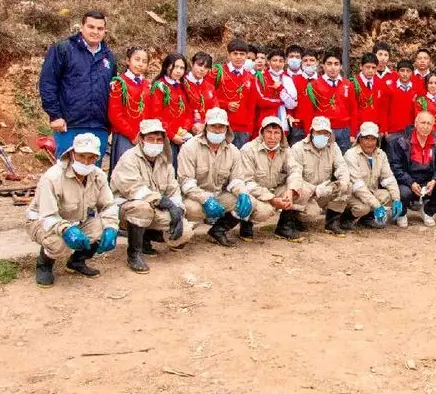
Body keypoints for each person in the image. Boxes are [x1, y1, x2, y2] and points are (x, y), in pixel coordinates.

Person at [26, 133, 119, 287]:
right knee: (58, 243)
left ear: (96, 158)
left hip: (77, 220)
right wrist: (66, 230)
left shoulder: (98, 176)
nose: (86, 162)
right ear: (71, 153)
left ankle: (77, 262)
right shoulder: (53, 177)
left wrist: (111, 228)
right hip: (42, 221)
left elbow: (108, 205)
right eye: (81, 156)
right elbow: (47, 215)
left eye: (91, 158)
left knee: (102, 230)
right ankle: (44, 265)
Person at [110, 119, 191, 273]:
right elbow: (134, 190)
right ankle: (134, 253)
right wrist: (165, 202)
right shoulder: (129, 158)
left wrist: (178, 210)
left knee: (184, 231)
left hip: (155, 208)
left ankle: (146, 237)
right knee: (142, 208)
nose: (155, 143)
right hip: (126, 209)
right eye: (150, 139)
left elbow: (173, 189)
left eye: (159, 139)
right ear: (141, 139)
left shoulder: (164, 160)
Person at [38, 11, 118, 161]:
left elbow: (113, 92)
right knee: (67, 172)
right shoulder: (63, 50)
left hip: (99, 127)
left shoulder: (109, 57)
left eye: (100, 28)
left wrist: (109, 124)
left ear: (105, 31)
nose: (95, 32)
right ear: (82, 27)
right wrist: (55, 115)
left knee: (93, 177)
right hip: (69, 125)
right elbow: (48, 83)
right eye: (91, 27)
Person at [177, 107, 257, 247]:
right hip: (194, 197)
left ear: (227, 128)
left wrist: (243, 193)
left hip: (219, 195)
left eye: (221, 127)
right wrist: (205, 199)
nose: (218, 130)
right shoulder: (189, 147)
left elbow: (236, 180)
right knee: (192, 211)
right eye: (214, 126)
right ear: (206, 126)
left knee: (249, 202)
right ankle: (184, 231)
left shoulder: (233, 151)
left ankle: (218, 231)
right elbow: (186, 182)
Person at [284, 116, 353, 237]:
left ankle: (332, 222)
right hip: (304, 194)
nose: (322, 136)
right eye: (319, 132)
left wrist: (343, 181)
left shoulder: (333, 147)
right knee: (312, 213)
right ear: (311, 132)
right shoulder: (298, 149)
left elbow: (341, 166)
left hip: (324, 191)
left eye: (325, 133)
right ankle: (294, 220)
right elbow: (295, 177)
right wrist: (315, 189)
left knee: (346, 187)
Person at [387, 111, 436, 227]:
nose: (425, 126)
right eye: (423, 123)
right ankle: (402, 213)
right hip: (408, 182)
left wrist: (434, 181)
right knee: (403, 192)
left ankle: (428, 211)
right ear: (416, 123)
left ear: (433, 126)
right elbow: (395, 167)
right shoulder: (401, 141)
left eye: (429, 124)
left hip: (428, 183)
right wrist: (410, 182)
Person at [239, 116, 297, 241]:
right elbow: (247, 182)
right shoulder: (248, 150)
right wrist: (271, 199)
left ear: (282, 135)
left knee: (300, 189)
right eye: (268, 132)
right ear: (261, 133)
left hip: (274, 189)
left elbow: (295, 170)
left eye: (276, 133)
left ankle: (284, 228)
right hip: (255, 194)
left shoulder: (286, 150)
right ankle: (246, 225)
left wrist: (290, 190)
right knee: (265, 211)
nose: (272, 137)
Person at [343, 121, 403, 228]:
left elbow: (388, 178)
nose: (369, 143)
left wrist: (397, 199)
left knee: (388, 195)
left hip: (370, 192)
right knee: (363, 208)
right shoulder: (350, 155)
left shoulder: (381, 155)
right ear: (359, 139)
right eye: (366, 138)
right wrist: (377, 205)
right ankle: (346, 218)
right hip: (352, 194)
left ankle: (366, 218)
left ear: (377, 140)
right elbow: (358, 187)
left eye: (373, 139)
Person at [306, 49, 358, 153]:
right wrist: (309, 132)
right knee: (323, 161)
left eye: (336, 64)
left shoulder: (348, 84)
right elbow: (309, 111)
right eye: (329, 64)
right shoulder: (314, 85)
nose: (333, 67)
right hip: (322, 130)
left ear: (341, 66)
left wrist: (352, 133)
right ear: (323, 66)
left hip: (344, 130)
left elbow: (354, 110)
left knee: (343, 162)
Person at [108, 46, 151, 171]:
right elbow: (114, 114)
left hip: (144, 136)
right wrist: (132, 134)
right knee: (124, 170)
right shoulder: (119, 83)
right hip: (125, 135)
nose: (140, 64)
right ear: (128, 61)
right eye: (137, 59)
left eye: (144, 61)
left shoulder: (148, 85)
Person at [146, 53, 192, 167]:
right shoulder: (159, 87)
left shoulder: (183, 86)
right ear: (167, 66)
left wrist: (185, 128)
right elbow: (156, 115)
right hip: (165, 136)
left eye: (182, 68)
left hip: (181, 135)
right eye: (175, 67)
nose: (178, 71)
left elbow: (188, 111)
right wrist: (171, 135)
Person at [212, 39, 258, 149]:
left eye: (242, 54)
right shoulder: (217, 72)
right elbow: (209, 98)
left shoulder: (251, 77)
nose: (238, 57)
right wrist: (225, 104)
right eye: (235, 53)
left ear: (246, 56)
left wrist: (249, 130)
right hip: (220, 125)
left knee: (239, 162)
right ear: (228, 55)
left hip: (242, 129)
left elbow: (252, 105)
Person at [254, 48, 298, 140]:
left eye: (281, 61)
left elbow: (292, 104)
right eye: (274, 60)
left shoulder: (287, 79)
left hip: (282, 121)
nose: (277, 64)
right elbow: (260, 101)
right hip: (263, 119)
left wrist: (281, 89)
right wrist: (281, 101)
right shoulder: (260, 76)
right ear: (268, 62)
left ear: (284, 62)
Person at [351, 53, 390, 135]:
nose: (371, 70)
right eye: (367, 67)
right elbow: (352, 110)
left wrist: (383, 128)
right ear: (361, 66)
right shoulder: (353, 84)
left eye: (373, 68)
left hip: (375, 128)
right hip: (360, 128)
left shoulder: (381, 84)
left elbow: (383, 109)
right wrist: (353, 133)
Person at [183, 52, 219, 137]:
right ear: (192, 64)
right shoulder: (182, 83)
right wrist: (191, 125)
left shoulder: (210, 87)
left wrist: (204, 125)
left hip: (205, 129)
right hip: (184, 130)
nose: (202, 69)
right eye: (199, 65)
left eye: (206, 67)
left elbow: (215, 109)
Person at [289, 49, 320, 146]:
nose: (308, 63)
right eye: (305, 60)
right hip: (298, 124)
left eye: (311, 60)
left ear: (317, 62)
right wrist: (290, 115)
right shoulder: (294, 79)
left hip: (317, 125)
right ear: (301, 63)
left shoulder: (322, 80)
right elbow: (290, 100)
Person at [387, 59, 420, 140]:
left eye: (408, 71)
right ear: (397, 72)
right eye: (402, 71)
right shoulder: (390, 88)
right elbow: (384, 110)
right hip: (393, 131)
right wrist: (384, 129)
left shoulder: (417, 89)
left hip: (411, 131)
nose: (405, 74)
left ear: (412, 73)